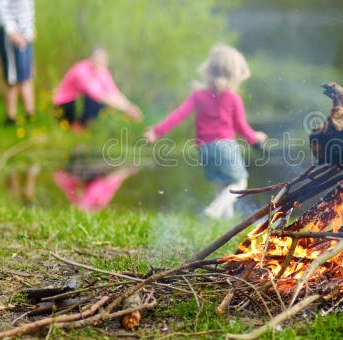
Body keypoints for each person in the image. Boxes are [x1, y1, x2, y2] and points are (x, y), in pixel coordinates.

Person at [144, 44, 267, 219]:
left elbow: (179, 115)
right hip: (225, 147)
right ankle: (213, 212)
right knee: (240, 182)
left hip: (204, 148)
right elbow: (242, 127)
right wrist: (256, 137)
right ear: (234, 75)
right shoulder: (233, 98)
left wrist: (157, 132)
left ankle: (225, 223)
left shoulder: (198, 95)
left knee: (222, 186)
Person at [53, 47, 143, 129]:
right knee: (98, 101)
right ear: (91, 58)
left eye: (103, 59)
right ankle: (77, 128)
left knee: (106, 102)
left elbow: (114, 92)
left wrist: (130, 107)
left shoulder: (101, 71)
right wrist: (125, 109)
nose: (101, 61)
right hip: (64, 105)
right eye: (98, 58)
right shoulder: (81, 70)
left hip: (79, 103)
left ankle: (83, 128)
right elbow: (99, 96)